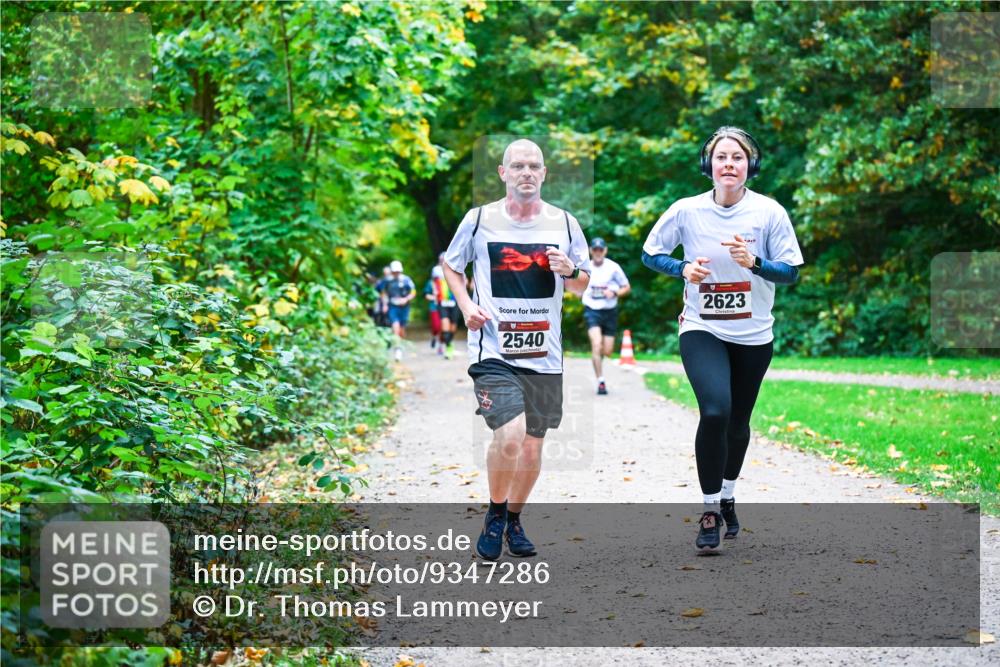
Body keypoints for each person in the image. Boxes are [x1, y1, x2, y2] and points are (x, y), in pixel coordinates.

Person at [641, 126, 803, 552]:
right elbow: (649, 253)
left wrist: (756, 263)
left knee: (738, 423)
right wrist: (681, 270)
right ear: (708, 165)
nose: (729, 164)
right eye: (721, 157)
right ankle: (710, 508)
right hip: (702, 327)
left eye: (737, 157)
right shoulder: (686, 211)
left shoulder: (769, 213)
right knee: (715, 411)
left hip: (753, 334)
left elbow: (791, 272)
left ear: (750, 165)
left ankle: (729, 494)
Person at [443, 139, 590, 560]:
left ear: (544, 174)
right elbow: (452, 265)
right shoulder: (479, 219)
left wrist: (571, 271)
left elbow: (583, 286)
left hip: (545, 354)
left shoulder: (564, 223)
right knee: (509, 436)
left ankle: (514, 518)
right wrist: (467, 305)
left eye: (534, 166)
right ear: (503, 173)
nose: (527, 172)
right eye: (518, 166)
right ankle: (493, 514)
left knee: (531, 446)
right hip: (494, 351)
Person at [580, 237, 630, 395]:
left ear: (605, 250)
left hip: (610, 311)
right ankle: (600, 381)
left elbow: (626, 287)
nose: (598, 252)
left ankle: (599, 360)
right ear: (591, 251)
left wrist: (614, 292)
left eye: (600, 249)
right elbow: (575, 283)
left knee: (607, 350)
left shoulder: (613, 267)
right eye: (595, 249)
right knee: (596, 344)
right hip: (592, 310)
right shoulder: (585, 267)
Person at [385, 260, 416, 361]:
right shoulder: (388, 281)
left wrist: (406, 299)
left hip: (404, 307)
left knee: (402, 329)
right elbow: (383, 292)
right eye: (394, 271)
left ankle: (400, 346)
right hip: (392, 307)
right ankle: (397, 349)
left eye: (397, 271)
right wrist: (384, 304)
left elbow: (413, 292)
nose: (396, 273)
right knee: (395, 326)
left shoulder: (407, 280)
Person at [432, 261, 461, 360]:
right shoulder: (436, 269)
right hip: (442, 301)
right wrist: (435, 293)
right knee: (445, 325)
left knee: (453, 327)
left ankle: (450, 343)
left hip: (454, 302)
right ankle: (448, 348)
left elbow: (464, 282)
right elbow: (433, 282)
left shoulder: (458, 266)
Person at [424, 267, 443, 352]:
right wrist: (433, 297)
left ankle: (440, 346)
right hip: (434, 307)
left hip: (444, 307)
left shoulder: (445, 283)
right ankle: (434, 336)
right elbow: (426, 295)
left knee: (442, 327)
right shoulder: (430, 283)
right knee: (436, 326)